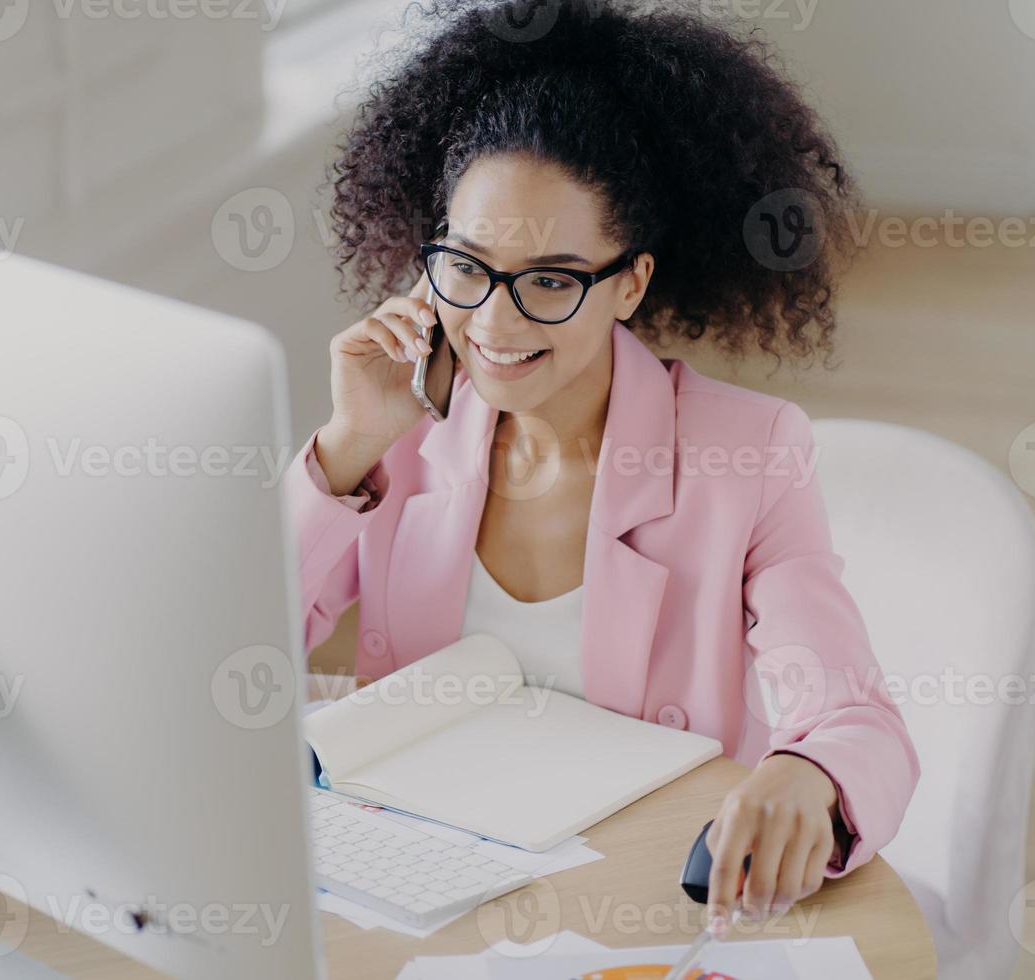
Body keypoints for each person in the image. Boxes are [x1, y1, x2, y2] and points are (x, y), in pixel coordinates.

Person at [283, 0, 918, 936]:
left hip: (634, 899)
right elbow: (221, 652)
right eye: (468, 266)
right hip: (420, 891)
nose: (494, 325)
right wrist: (346, 446)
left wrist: (810, 773)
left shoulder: (746, 455)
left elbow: (858, 721)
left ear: (630, 283)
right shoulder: (401, 430)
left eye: (550, 280)